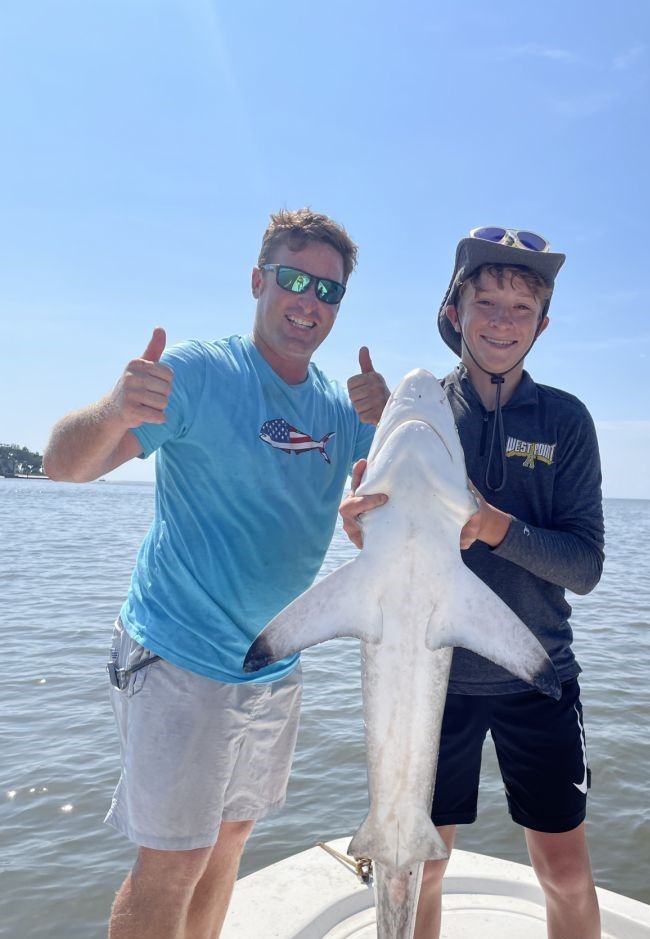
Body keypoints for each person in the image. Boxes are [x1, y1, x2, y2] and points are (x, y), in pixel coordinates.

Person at [43, 208, 389, 939]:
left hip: (273, 664)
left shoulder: (337, 404)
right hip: (180, 655)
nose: (309, 301)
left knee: (231, 840)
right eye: (294, 279)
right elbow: (63, 467)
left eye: (328, 291)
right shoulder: (202, 372)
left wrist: (391, 423)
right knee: (173, 859)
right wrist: (112, 409)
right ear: (258, 280)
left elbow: (389, 510)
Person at [340, 226, 605, 939]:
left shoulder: (566, 422)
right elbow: (373, 527)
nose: (501, 321)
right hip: (436, 685)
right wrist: (360, 525)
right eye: (485, 301)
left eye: (521, 309)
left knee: (567, 872)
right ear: (454, 309)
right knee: (420, 866)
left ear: (543, 325)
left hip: (537, 676)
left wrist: (497, 527)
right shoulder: (417, 412)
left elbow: (585, 565)